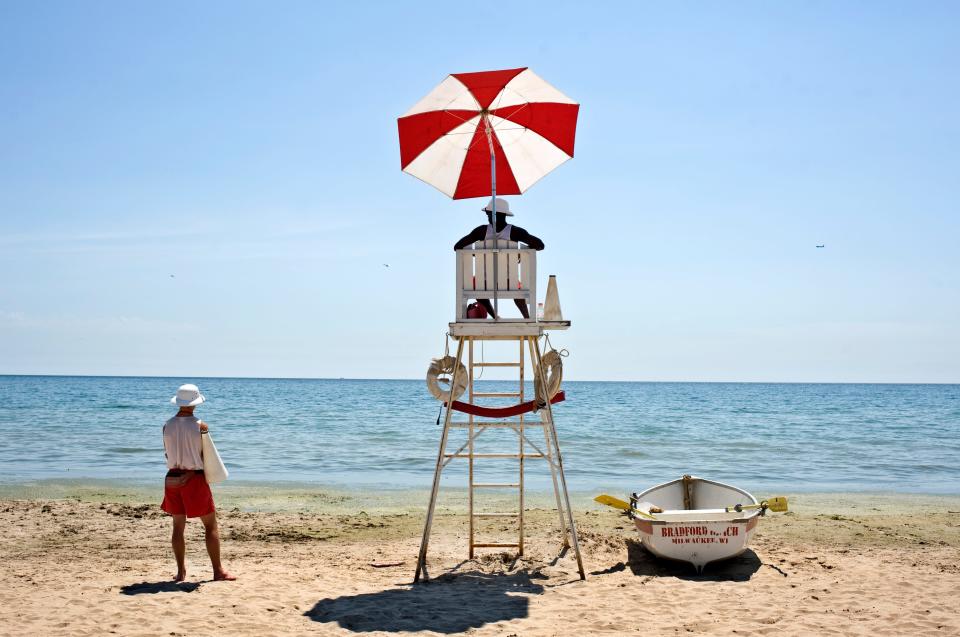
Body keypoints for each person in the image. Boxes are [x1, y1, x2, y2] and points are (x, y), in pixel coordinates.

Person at [160, 383, 235, 582]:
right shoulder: (200, 426)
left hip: (172, 478)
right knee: (210, 526)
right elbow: (206, 455)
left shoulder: (167, 425)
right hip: (194, 478)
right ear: (195, 403)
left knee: (177, 527)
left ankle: (180, 572)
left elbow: (167, 453)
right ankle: (218, 571)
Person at [454, 197, 544, 319]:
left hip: (483, 282)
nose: (487, 216)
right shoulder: (516, 232)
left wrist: (476, 254)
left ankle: (495, 316)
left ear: (493, 214)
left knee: (475, 283)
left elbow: (457, 246)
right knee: (516, 285)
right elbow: (540, 245)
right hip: (509, 281)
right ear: (505, 214)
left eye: (488, 213)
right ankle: (527, 318)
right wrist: (523, 252)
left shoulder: (480, 231)